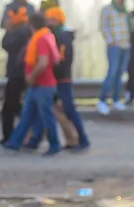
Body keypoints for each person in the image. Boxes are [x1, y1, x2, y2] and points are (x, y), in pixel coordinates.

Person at [1, 12, 61, 156]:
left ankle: (54, 144)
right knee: (28, 114)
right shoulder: (46, 36)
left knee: (46, 116)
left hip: (43, 84)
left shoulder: (41, 39)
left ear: (31, 25)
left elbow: (43, 62)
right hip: (37, 84)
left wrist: (31, 76)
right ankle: (15, 142)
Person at [47, 6, 88, 151]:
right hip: (59, 78)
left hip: (62, 79)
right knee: (60, 110)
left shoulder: (62, 37)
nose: (49, 22)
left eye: (52, 19)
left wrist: (56, 73)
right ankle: (73, 140)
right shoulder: (59, 36)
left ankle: (82, 140)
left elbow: (63, 60)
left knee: (69, 110)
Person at [0, 8, 31, 145]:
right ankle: (19, 135)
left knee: (9, 108)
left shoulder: (21, 32)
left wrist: (9, 31)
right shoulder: (25, 31)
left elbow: (6, 45)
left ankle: (10, 137)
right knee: (16, 106)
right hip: (21, 73)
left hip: (17, 74)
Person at [97, 0, 131, 115]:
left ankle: (116, 100)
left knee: (120, 74)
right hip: (114, 46)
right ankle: (102, 101)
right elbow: (103, 26)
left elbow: (130, 25)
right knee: (112, 73)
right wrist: (110, 41)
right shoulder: (107, 9)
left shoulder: (125, 10)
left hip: (126, 45)